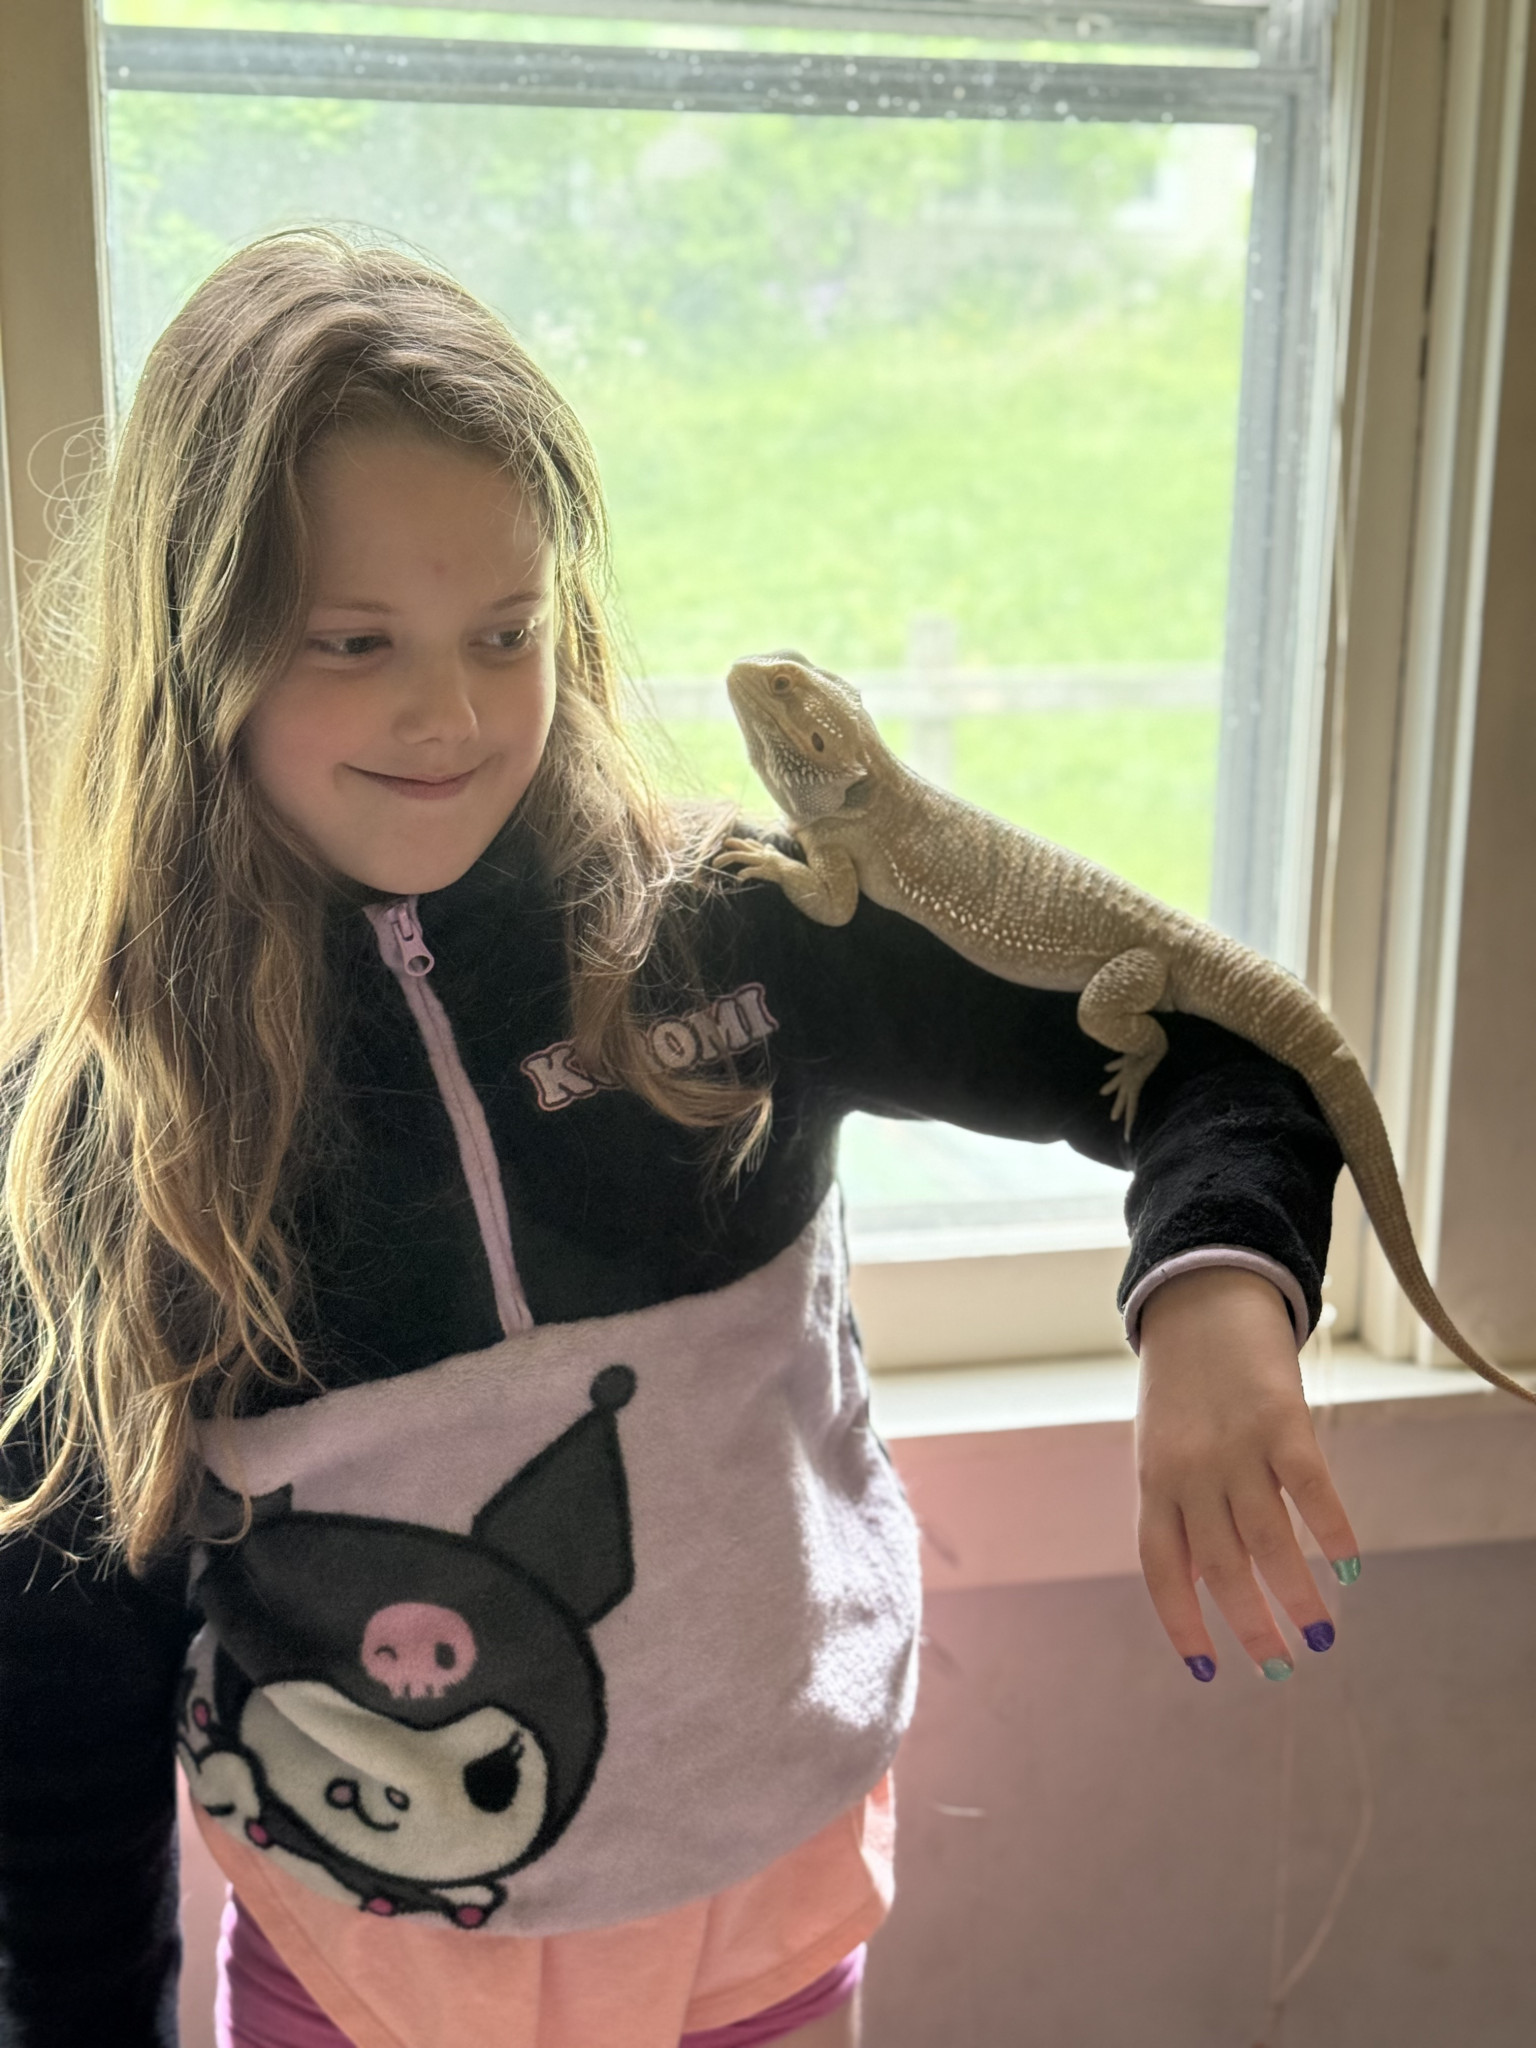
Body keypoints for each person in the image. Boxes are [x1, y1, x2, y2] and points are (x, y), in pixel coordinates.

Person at [0, 230, 1357, 2048]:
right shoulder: (102, 1131)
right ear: (200, 651)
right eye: (354, 642)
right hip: (357, 1973)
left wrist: (1215, 1298)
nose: (451, 713)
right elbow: (57, 1702)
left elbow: (1222, 1048)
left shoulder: (739, 931)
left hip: (766, 1938)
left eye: (507, 632)